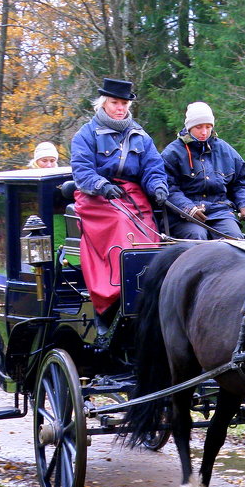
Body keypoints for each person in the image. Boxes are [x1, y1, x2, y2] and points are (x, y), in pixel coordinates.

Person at [69, 77, 169, 320]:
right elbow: (82, 170)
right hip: (96, 198)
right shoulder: (85, 134)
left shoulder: (141, 136)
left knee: (148, 228)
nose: (120, 108)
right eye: (115, 102)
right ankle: (122, 290)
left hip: (132, 195)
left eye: (124, 103)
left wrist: (158, 187)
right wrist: (101, 185)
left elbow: (153, 167)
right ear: (103, 104)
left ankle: (153, 283)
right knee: (121, 223)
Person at [160, 102, 245, 240]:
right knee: (197, 237)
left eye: (208, 127)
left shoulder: (226, 151)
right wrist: (187, 208)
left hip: (220, 213)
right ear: (189, 127)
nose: (204, 132)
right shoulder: (172, 153)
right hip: (184, 217)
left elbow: (241, 183)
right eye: (199, 127)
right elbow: (168, 187)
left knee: (235, 241)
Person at [0, 140, 62, 237]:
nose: (49, 165)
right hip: (25, 227)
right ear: (36, 162)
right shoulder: (24, 181)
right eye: (44, 161)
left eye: (52, 161)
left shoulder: (61, 181)